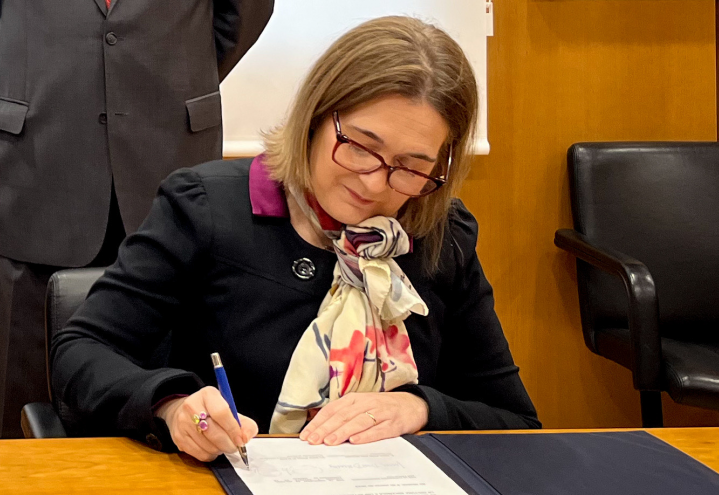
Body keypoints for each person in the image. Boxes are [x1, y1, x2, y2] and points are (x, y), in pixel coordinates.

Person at [52, 15, 540, 461]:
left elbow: (514, 421)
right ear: (316, 115)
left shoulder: (439, 235)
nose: (374, 183)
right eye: (360, 147)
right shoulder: (207, 209)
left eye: (411, 167)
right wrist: (173, 405)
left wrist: (420, 408)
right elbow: (81, 350)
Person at [0, 0, 274, 438]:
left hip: (168, 142)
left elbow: (242, 14)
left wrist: (171, 74)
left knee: (173, 369)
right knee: (24, 376)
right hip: (35, 152)